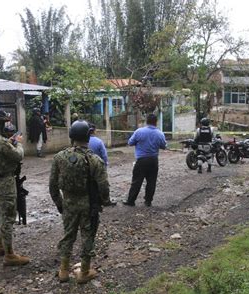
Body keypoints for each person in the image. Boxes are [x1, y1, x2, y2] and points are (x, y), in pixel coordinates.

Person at [49, 120, 114, 284]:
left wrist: (59, 203)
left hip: (69, 204)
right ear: (88, 136)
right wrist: (105, 201)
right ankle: (84, 272)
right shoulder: (95, 160)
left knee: (68, 235)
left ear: (71, 136)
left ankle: (63, 271)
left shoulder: (59, 157)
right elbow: (103, 185)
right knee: (87, 236)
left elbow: (52, 185)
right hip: (89, 205)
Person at [0, 108, 30, 266]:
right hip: (5, 182)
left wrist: (9, 143)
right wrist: (19, 145)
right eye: (3, 122)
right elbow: (17, 155)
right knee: (7, 216)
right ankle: (10, 254)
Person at [122, 114, 167, 207]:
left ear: (147, 121)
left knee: (137, 181)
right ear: (156, 122)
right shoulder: (160, 133)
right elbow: (164, 146)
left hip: (141, 160)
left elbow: (130, 143)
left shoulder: (139, 131)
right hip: (153, 160)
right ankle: (148, 201)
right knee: (151, 181)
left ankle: (131, 201)